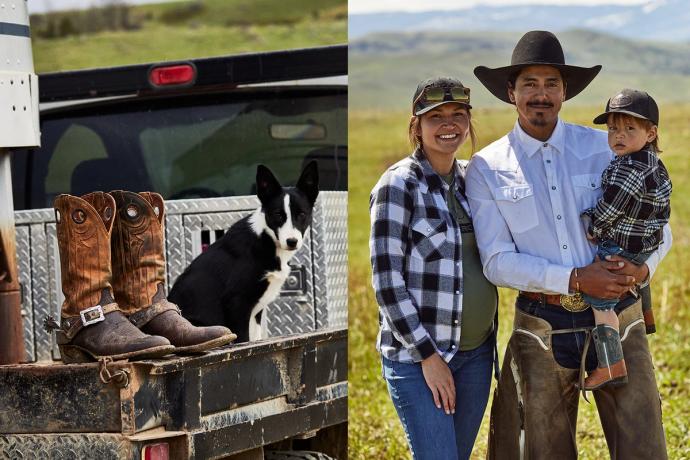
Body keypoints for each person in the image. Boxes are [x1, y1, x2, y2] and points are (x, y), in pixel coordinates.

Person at [465, 31, 671, 459]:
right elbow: (497, 262)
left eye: (551, 84)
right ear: (510, 92)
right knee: (540, 451)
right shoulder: (488, 166)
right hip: (541, 323)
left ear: (564, 92)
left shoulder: (604, 147)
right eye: (529, 84)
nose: (541, 95)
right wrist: (576, 278)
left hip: (620, 312)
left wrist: (644, 268)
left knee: (642, 445)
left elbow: (658, 221)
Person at [370, 77, 498, 460]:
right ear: (417, 126)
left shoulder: (471, 181)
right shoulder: (398, 185)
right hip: (419, 358)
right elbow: (387, 283)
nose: (449, 125)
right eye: (436, 117)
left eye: (458, 115)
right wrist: (429, 357)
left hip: (477, 355)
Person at [579, 88, 671, 389]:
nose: (619, 135)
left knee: (600, 300)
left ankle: (611, 362)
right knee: (634, 277)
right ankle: (646, 312)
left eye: (630, 128)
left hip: (621, 245)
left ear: (651, 132)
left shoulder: (629, 168)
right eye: (613, 129)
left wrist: (592, 224)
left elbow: (610, 208)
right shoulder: (652, 163)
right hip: (645, 243)